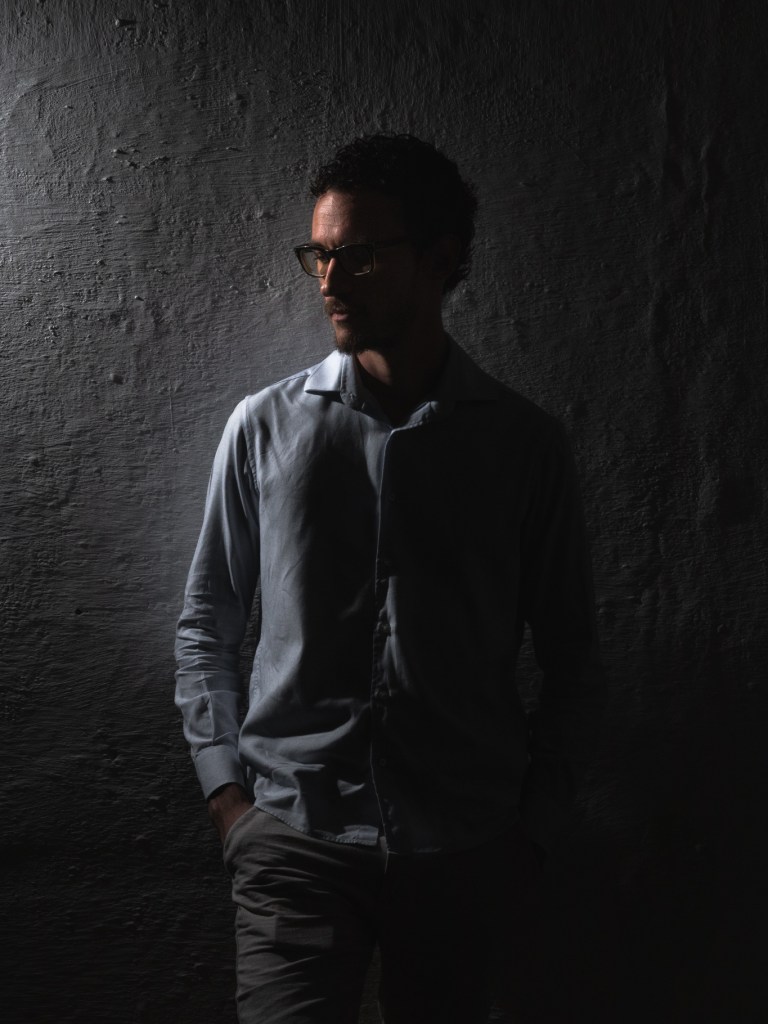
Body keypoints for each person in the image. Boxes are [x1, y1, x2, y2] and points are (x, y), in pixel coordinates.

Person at [175, 133, 603, 1024]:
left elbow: (574, 654)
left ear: (440, 259)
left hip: (463, 851)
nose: (330, 281)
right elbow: (208, 622)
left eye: (360, 256)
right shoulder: (263, 428)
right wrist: (229, 800)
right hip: (293, 842)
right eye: (320, 255)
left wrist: (534, 828)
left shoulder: (522, 446)